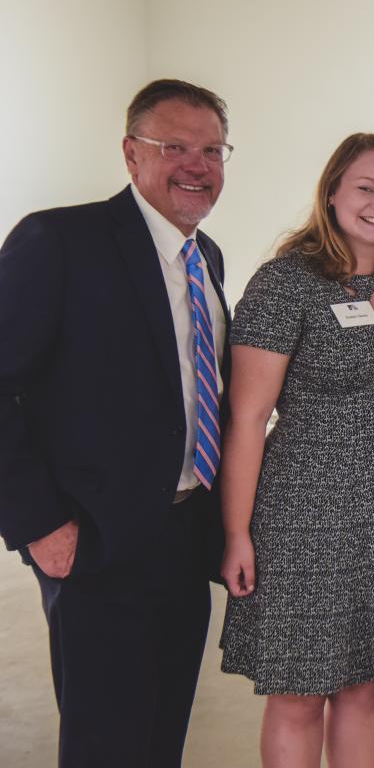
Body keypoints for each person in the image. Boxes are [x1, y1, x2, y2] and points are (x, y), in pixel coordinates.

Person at [0, 79, 231, 768]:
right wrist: (38, 520)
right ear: (132, 154)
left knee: (161, 737)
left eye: (213, 149)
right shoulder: (60, 240)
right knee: (107, 746)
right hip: (96, 542)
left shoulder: (206, 257)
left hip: (186, 537)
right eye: (175, 147)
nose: (197, 164)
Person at [218, 133, 374, 768]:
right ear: (333, 192)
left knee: (365, 687)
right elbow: (247, 418)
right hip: (304, 516)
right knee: (297, 693)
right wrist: (236, 532)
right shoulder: (286, 284)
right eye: (367, 188)